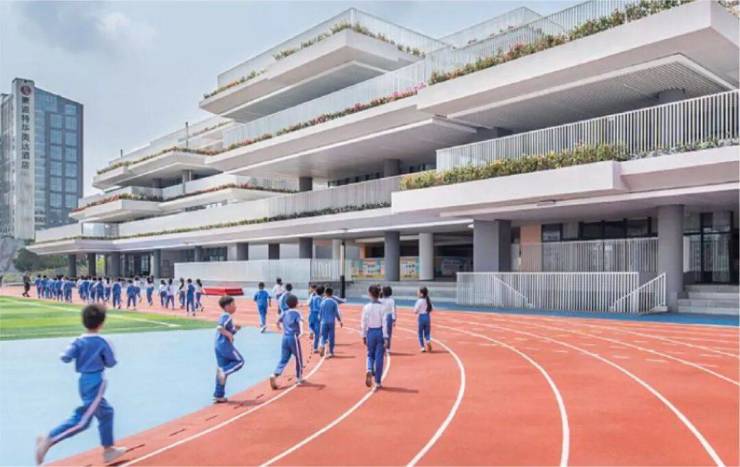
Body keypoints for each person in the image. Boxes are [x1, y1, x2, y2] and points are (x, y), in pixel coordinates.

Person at [34, 304, 127, 465]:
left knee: (106, 413)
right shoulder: (103, 341)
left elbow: (65, 357)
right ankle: (49, 439)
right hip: (96, 382)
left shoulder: (78, 341)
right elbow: (111, 362)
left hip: (83, 381)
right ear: (102, 323)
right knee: (82, 421)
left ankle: (109, 450)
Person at [269, 294, 304, 389]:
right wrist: (302, 331)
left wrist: (278, 326)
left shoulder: (284, 312)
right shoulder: (297, 313)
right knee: (298, 358)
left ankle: (275, 374)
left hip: (285, 337)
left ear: (287, 304)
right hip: (293, 337)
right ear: (296, 303)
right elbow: (300, 322)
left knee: (284, 358)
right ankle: (299, 377)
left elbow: (277, 321)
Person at [213, 295, 244, 403]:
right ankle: (224, 371)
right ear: (227, 306)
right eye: (233, 304)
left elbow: (227, 330)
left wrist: (235, 329)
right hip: (224, 345)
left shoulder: (226, 317)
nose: (235, 306)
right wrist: (229, 335)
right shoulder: (226, 316)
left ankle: (219, 395)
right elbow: (220, 328)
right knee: (239, 361)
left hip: (218, 345)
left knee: (221, 368)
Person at [361, 285, 389, 390]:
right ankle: (377, 381)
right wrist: (386, 337)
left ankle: (369, 369)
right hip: (380, 332)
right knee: (379, 357)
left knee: (370, 354)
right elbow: (385, 323)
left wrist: (363, 335)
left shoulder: (366, 307)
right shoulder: (383, 307)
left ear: (369, 294)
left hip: (370, 332)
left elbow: (363, 322)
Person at [318, 287, 343, 358]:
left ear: (325, 293)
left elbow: (320, 314)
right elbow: (336, 313)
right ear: (332, 294)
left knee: (323, 336)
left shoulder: (322, 302)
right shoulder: (334, 302)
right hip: (331, 322)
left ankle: (322, 345)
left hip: (324, 322)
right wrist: (340, 320)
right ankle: (331, 352)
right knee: (331, 337)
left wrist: (320, 321)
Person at [415, 287, 433, 353]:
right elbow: (431, 308)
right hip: (427, 317)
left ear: (421, 294)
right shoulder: (428, 300)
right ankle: (428, 340)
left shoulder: (419, 301)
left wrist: (417, 311)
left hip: (421, 317)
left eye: (418, 292)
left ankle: (422, 347)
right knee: (427, 332)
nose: (417, 293)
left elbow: (415, 310)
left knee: (420, 333)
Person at [308, 285, 324, 353]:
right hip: (317, 315)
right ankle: (315, 348)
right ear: (322, 293)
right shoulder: (320, 299)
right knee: (317, 333)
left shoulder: (312, 297)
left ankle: (311, 331)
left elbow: (309, 304)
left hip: (311, 313)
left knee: (310, 325)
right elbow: (320, 307)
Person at [381, 286, 397, 353]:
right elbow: (393, 310)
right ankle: (388, 348)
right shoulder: (392, 300)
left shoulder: (381, 300)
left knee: (382, 332)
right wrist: (394, 319)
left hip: (383, 316)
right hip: (389, 316)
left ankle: (383, 347)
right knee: (388, 333)